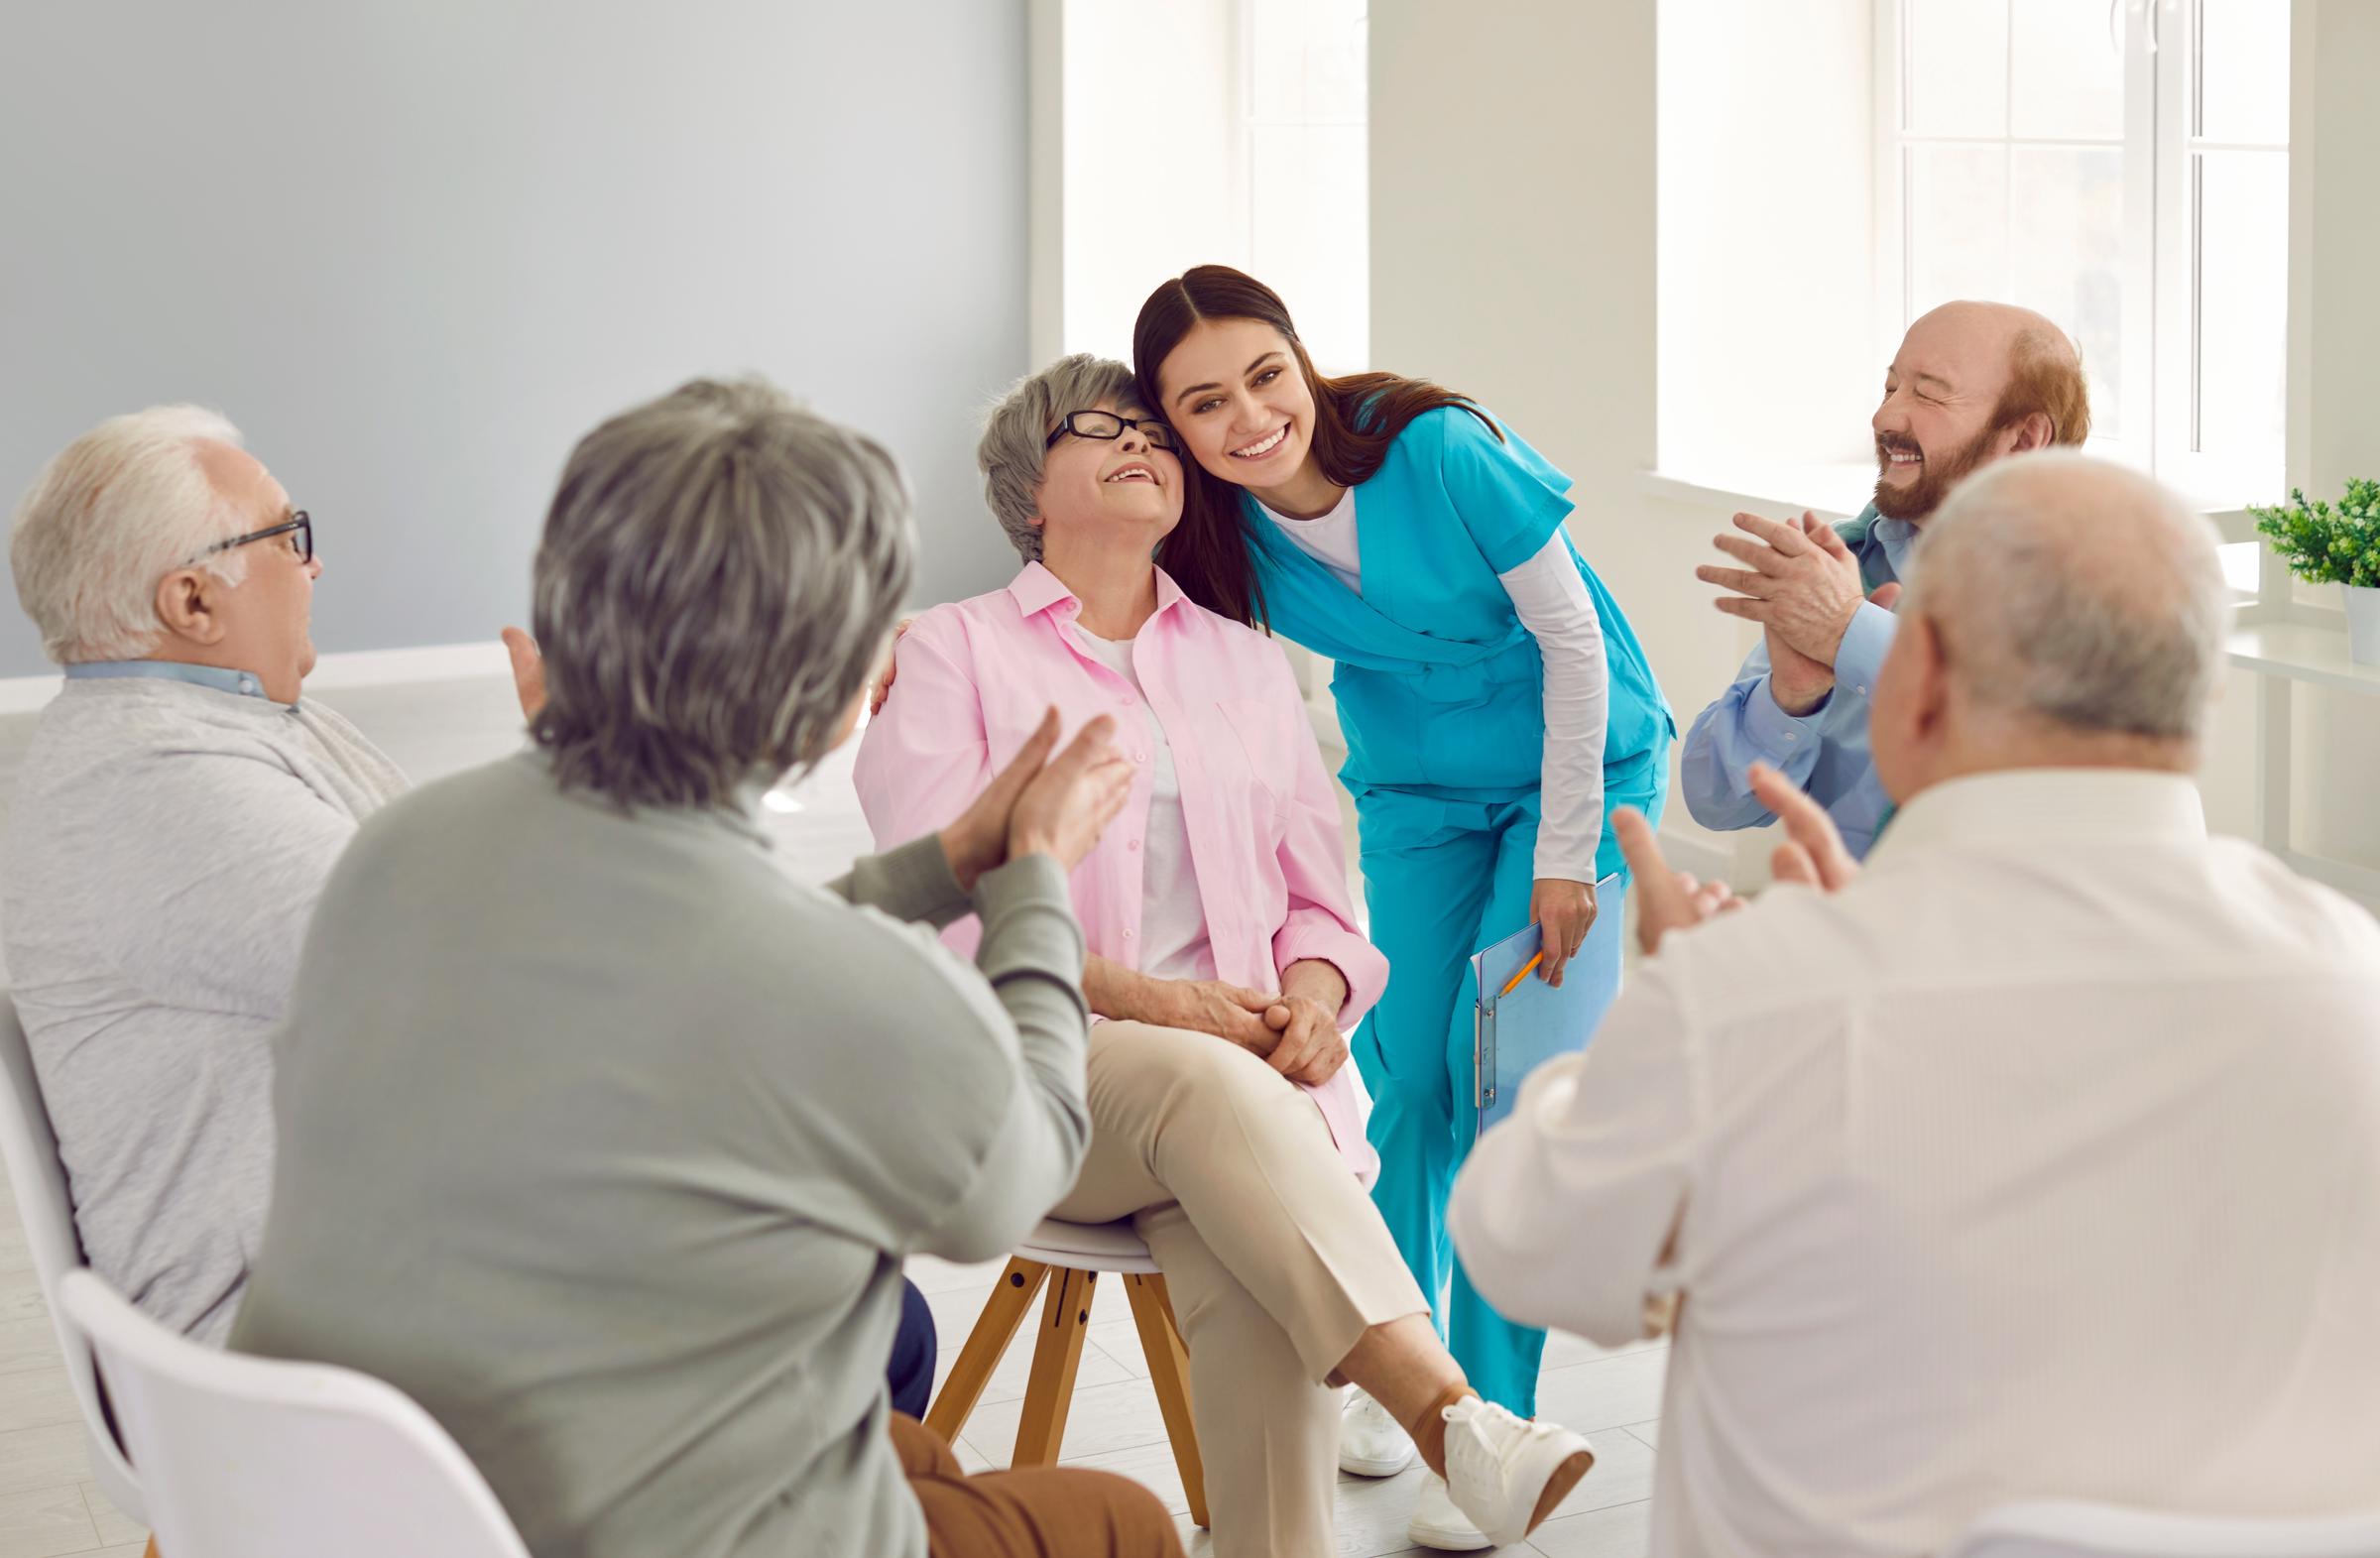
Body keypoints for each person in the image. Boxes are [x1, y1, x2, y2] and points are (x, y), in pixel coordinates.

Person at [231, 378, 1183, 1558]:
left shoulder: (400, 843)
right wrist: (1036, 873)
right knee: (1123, 1520)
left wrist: (948, 863)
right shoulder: (820, 982)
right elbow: (1016, 1168)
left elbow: (713, 952)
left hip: (350, 1498)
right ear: (831, 685)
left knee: (917, 1451)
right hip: (627, 1519)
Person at [1450, 452, 2380, 1556]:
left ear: (1916, 672)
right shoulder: (2351, 979)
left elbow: (1521, 1242)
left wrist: (1684, 1008)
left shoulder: (1752, 1002)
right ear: (2203, 696)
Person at [856, 354, 1600, 1556]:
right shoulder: (951, 652)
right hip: (1035, 1077)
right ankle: (1451, 1415)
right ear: (1027, 491)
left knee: (1257, 1273)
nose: (1142, 440)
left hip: (1233, 1098)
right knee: (1212, 1081)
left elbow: (1324, 901)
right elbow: (942, 909)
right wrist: (1166, 1004)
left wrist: (1312, 997)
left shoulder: (1246, 660)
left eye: (1154, 426)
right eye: (1098, 428)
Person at [1130, 265, 1672, 1541]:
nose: (1252, 417)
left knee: (1501, 1081)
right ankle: (1403, 1369)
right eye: (1206, 404)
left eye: (1266, 374)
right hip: (1419, 793)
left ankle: (1488, 1419)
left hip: (1571, 775)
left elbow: (1573, 642)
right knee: (1404, 1073)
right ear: (1178, 429)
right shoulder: (1223, 540)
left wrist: (1564, 848)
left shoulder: (1438, 448)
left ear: (1301, 356)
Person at [2, 406, 409, 1344]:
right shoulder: (153, 786)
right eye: (287, 536)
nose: (312, 566)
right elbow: (466, 973)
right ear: (192, 602)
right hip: (289, 1342)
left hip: (361, 1270)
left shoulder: (232, 724)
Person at [1680, 300, 2088, 859]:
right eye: (1890, 388)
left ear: (2022, 438)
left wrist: (1849, 634)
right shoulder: (1848, 562)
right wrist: (1791, 697)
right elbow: (1716, 803)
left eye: (1928, 393)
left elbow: (2031, 757)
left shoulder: (2101, 577)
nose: (1886, 418)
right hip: (1856, 927)